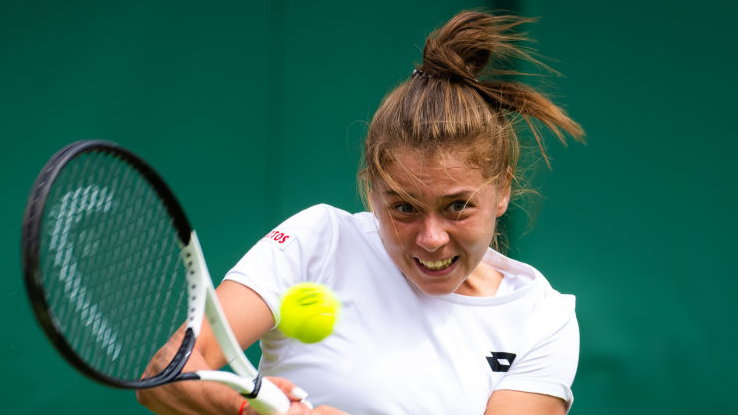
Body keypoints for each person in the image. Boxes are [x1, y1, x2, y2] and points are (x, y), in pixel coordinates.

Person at [137, 10, 584, 415]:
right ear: (372, 191)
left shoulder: (542, 319)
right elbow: (166, 373)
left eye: (457, 207)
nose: (431, 237)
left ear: (502, 191)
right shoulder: (319, 240)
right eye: (404, 208)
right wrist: (249, 411)